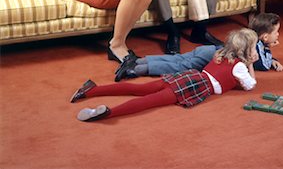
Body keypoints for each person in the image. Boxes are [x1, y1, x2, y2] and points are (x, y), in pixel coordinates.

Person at [70, 28, 258, 122]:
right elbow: (250, 85)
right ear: (247, 50)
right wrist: (251, 64)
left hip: (188, 76)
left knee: (140, 89)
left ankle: (92, 90)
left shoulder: (220, 54)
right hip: (193, 86)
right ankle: (110, 113)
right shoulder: (240, 67)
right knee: (148, 101)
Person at [114, 13, 283, 81]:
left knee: (179, 58)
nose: (277, 36)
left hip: (209, 49)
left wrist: (272, 56)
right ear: (265, 37)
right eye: (276, 33)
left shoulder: (249, 37)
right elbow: (262, 65)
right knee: (179, 66)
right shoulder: (255, 48)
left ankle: (135, 61)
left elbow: (266, 58)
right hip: (211, 57)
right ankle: (136, 70)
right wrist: (269, 53)